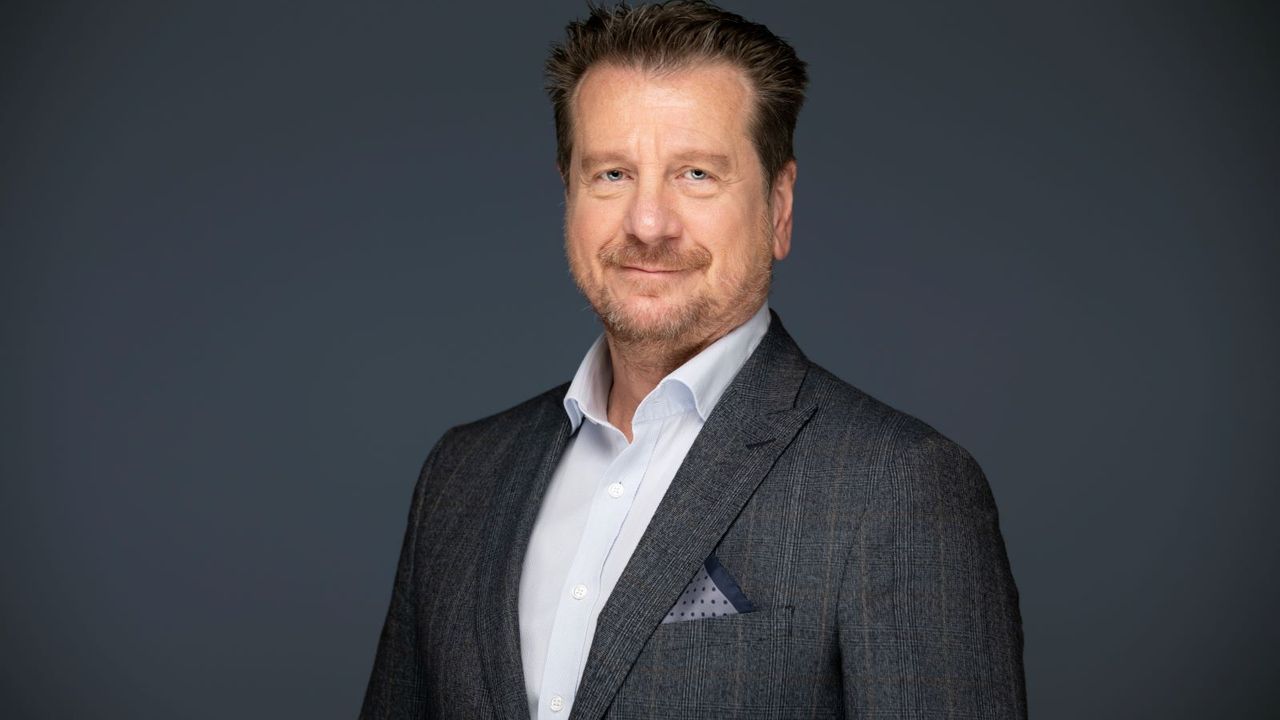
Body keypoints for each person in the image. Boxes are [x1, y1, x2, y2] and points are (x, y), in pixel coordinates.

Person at [360, 2, 1026, 718]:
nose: (648, 223)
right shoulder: (460, 476)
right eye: (612, 174)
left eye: (697, 174)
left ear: (779, 207)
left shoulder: (899, 487)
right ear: (568, 195)